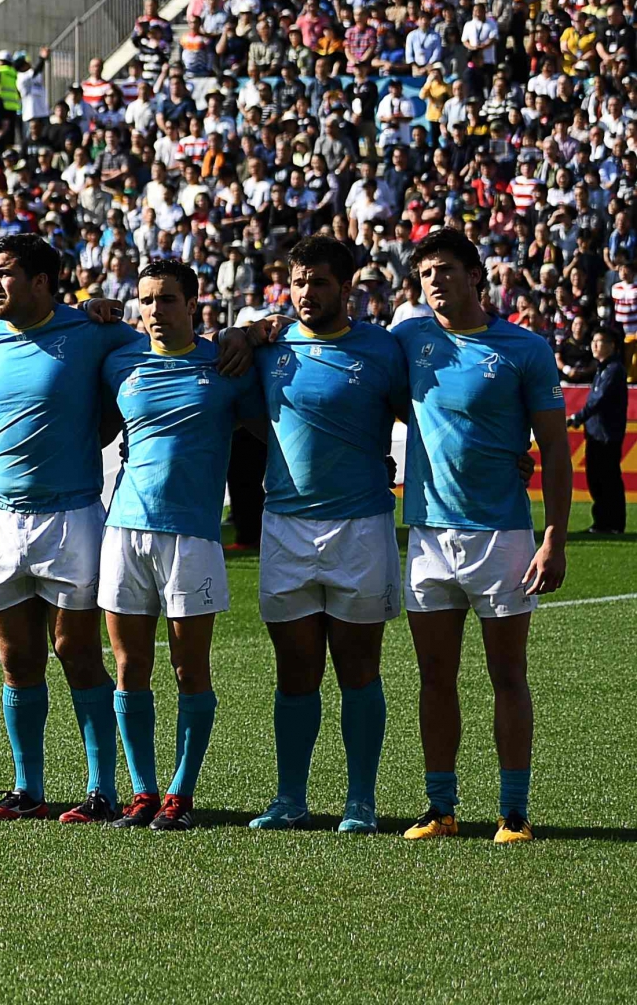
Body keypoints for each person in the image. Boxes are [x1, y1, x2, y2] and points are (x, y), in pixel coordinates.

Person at [392, 228, 569, 842]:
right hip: (429, 537)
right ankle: (440, 808)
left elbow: (552, 447)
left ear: (475, 276)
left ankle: (513, 812)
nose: (434, 282)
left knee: (507, 675)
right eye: (424, 274)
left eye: (444, 270)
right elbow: (351, 367)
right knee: (434, 677)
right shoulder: (409, 339)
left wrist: (554, 538)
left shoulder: (524, 348)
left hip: (502, 536)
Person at [245, 234, 406, 834]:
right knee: (294, 668)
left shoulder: (383, 350)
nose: (306, 293)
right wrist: (241, 333)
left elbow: (429, 417)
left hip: (360, 526)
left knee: (359, 666)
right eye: (298, 281)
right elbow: (245, 414)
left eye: (318, 282)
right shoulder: (270, 345)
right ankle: (291, 798)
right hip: (285, 525)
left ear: (347, 288)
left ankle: (360, 800)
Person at [96, 258, 255, 830]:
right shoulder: (119, 358)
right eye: (146, 300)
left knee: (191, 669)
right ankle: (142, 792)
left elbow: (279, 425)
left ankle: (181, 794)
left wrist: (256, 328)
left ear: (193, 303)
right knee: (128, 665)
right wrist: (92, 308)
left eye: (166, 299)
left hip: (192, 535)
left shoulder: (225, 362)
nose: (154, 311)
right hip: (123, 530)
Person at [0, 233, 120, 822]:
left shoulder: (92, 333)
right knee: (16, 660)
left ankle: (102, 790)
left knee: (76, 651)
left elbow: (159, 349)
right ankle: (27, 790)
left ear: (42, 281)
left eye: (5, 274)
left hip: (71, 516)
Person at [579, 329, 626, 536]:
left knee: (608, 479)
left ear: (612, 345)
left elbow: (598, 400)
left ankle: (613, 523)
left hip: (606, 435)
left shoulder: (614, 369)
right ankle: (602, 522)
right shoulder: (602, 369)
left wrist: (576, 417)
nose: (594, 345)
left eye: (600, 341)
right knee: (597, 479)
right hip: (596, 433)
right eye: (593, 341)